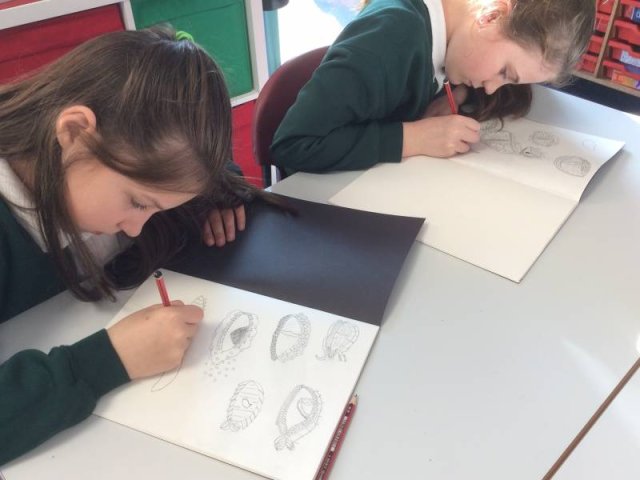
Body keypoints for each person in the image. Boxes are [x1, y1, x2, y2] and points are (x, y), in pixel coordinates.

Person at [0, 26, 264, 464]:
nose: (139, 229)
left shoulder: (118, 165)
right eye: (138, 203)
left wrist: (218, 200)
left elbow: (205, 170)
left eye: (157, 210)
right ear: (76, 132)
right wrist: (107, 360)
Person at [270, 0, 595, 173]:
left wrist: (459, 90)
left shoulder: (451, 31)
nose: (492, 88)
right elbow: (292, 145)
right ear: (491, 16)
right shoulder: (388, 40)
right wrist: (411, 138)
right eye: (504, 72)